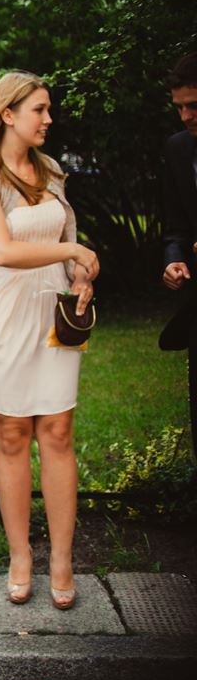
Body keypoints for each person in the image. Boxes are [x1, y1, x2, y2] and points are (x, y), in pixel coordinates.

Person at [0, 71, 100, 612]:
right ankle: (21, 556)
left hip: (53, 312)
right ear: (8, 115)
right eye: (39, 109)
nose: (48, 118)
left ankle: (62, 559)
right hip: (6, 314)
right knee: (13, 436)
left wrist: (83, 273)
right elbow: (2, 249)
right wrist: (72, 256)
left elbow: (69, 240)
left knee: (58, 430)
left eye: (48, 109)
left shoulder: (53, 172)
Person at [159, 52, 197, 447]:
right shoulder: (177, 149)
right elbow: (176, 229)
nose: (186, 116)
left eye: (194, 106)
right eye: (179, 107)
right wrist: (174, 261)